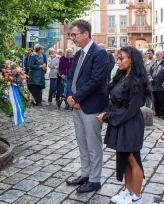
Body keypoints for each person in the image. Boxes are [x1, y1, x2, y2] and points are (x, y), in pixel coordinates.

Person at [96, 46, 151, 204]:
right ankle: (128, 190)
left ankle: (137, 196)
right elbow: (114, 101)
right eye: (118, 58)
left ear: (132, 61)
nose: (118, 61)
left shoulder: (137, 81)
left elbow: (130, 109)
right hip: (121, 122)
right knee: (124, 159)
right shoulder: (121, 77)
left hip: (130, 122)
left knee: (133, 159)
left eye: (121, 58)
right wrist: (108, 113)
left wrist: (108, 116)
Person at [65, 19, 109, 193]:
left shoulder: (99, 53)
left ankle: (95, 179)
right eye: (71, 35)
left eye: (74, 35)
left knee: (93, 144)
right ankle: (85, 174)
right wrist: (69, 96)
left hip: (91, 106)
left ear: (86, 34)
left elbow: (96, 81)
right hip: (76, 105)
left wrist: (76, 97)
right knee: (82, 142)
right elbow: (70, 76)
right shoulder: (79, 54)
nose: (72, 38)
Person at [149, 50, 164, 118]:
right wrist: (150, 78)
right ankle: (157, 112)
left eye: (158, 55)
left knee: (161, 99)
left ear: (161, 55)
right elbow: (149, 72)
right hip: (154, 84)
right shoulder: (154, 64)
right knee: (155, 99)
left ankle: (163, 112)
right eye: (156, 55)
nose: (156, 56)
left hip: (161, 84)